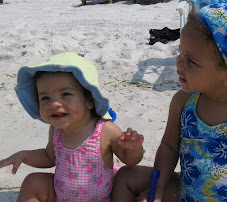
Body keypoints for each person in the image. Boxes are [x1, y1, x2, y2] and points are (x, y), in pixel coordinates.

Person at [111, 3, 227, 202]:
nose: (178, 63)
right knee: (126, 176)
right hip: (185, 194)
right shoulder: (184, 102)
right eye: (180, 53)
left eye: (191, 61)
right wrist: (157, 188)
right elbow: (169, 147)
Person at [0, 52, 144, 202]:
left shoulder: (105, 130)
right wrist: (24, 155)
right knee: (33, 182)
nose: (54, 104)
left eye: (66, 94)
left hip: (103, 198)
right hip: (61, 196)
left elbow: (129, 160)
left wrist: (133, 149)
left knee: (124, 181)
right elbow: (49, 157)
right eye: (45, 98)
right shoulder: (56, 131)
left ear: (89, 101)